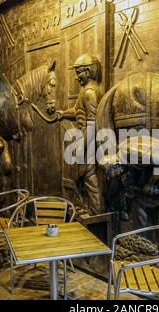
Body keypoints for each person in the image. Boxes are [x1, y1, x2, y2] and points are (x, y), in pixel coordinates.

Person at [56, 54, 104, 215]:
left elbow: (92, 123)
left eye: (79, 73)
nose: (76, 77)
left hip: (89, 144)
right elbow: (79, 112)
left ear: (89, 71)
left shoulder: (90, 92)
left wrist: (81, 147)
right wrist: (63, 113)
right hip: (85, 142)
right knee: (83, 179)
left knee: (89, 179)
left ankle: (96, 213)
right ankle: (87, 209)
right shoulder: (85, 91)